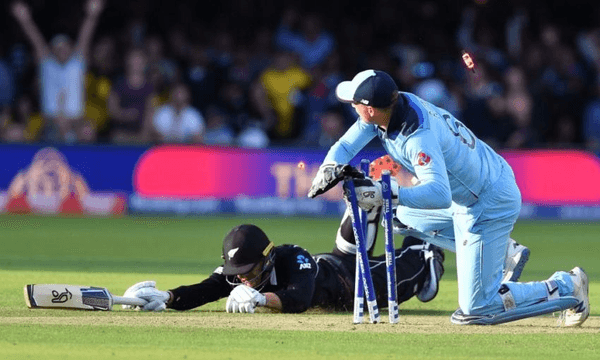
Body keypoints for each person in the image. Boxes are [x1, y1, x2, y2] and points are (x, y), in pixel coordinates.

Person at [307, 69, 589, 326]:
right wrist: (330, 167)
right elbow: (345, 145)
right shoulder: (391, 107)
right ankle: (504, 252)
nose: (352, 107)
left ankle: (567, 285)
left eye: (354, 103)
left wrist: (386, 192)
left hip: (487, 203)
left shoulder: (417, 136)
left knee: (475, 309)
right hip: (477, 189)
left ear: (368, 109)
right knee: (394, 216)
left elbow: (438, 194)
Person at [121, 205, 445, 314]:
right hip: (337, 258)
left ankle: (428, 250)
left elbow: (301, 298)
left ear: (268, 257)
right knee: (358, 214)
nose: (243, 278)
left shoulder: (293, 258)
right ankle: (368, 211)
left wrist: (261, 298)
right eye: (238, 273)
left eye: (249, 271)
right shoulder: (239, 274)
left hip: (351, 284)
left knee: (404, 274)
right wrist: (166, 297)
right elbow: (205, 289)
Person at [11, 0, 105, 143]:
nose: (62, 50)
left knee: (88, 131)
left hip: (76, 122)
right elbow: (37, 41)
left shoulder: (76, 64)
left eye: (65, 47)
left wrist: (92, 16)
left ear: (71, 48)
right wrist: (25, 20)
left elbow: (85, 38)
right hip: (51, 123)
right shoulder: (48, 65)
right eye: (58, 48)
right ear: (52, 50)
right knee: (17, 133)